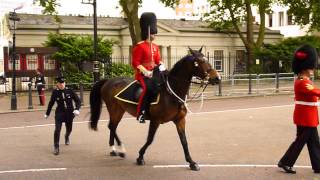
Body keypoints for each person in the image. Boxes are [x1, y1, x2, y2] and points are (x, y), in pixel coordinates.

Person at [278, 44, 320, 174]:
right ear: (305, 68)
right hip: (306, 118)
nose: (313, 69)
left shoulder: (304, 80)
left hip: (307, 116)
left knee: (314, 142)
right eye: (311, 67)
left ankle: (318, 165)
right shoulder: (303, 82)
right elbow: (316, 92)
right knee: (300, 142)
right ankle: (285, 162)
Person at [132, 12, 166, 123]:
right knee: (147, 89)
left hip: (154, 73)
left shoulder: (155, 47)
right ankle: (141, 113)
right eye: (154, 33)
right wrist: (145, 71)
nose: (155, 35)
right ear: (148, 32)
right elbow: (135, 62)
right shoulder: (140, 46)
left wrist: (161, 65)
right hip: (143, 75)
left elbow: (157, 60)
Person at [45, 76, 81, 155]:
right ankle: (56, 147)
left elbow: (78, 101)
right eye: (60, 83)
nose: (62, 85)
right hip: (59, 113)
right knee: (57, 129)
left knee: (69, 129)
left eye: (63, 83)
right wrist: (47, 113)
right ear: (57, 84)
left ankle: (66, 136)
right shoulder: (55, 92)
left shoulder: (70, 90)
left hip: (69, 113)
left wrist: (77, 109)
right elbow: (51, 103)